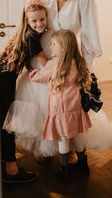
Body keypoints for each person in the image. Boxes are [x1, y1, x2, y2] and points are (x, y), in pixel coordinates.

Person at [4, 0, 112, 158]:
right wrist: (30, 53)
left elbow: (89, 37)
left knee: (69, 106)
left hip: (67, 59)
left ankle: (73, 152)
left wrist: (86, 70)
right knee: (43, 107)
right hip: (43, 57)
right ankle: (47, 151)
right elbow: (31, 19)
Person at [29, 30, 93, 183]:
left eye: (53, 44)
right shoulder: (77, 61)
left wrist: (32, 72)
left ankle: (64, 171)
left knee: (63, 139)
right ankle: (83, 165)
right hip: (75, 107)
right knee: (76, 135)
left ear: (63, 48)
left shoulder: (54, 64)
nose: (50, 47)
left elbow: (38, 77)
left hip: (60, 109)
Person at [0, 0, 47, 183]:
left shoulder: (26, 34)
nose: (39, 24)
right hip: (3, 79)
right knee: (6, 121)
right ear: (27, 21)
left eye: (42, 19)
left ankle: (4, 164)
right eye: (34, 21)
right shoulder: (31, 37)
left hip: (1, 76)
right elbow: (47, 64)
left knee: (3, 119)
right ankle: (11, 170)